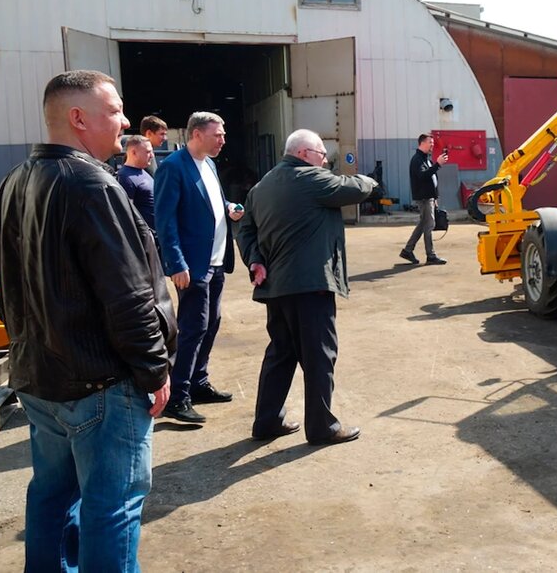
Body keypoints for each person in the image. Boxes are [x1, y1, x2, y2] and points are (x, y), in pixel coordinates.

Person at [0, 69, 176, 571]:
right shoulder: (93, 185)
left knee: (51, 497)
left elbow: (7, 285)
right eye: (114, 110)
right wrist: (155, 371)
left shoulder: (11, 183)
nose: (126, 120)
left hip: (40, 380)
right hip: (100, 385)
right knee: (112, 506)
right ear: (78, 118)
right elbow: (129, 298)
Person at [236, 129, 377, 445]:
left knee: (281, 353)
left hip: (276, 287)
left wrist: (254, 260)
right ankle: (322, 426)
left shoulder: (261, 187)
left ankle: (267, 420)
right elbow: (351, 188)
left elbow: (245, 230)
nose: (325, 161)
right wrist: (371, 181)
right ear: (303, 153)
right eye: (321, 155)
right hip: (310, 284)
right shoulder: (311, 179)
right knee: (319, 355)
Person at [154, 111, 244, 424]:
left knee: (212, 322)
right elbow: (165, 221)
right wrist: (176, 263)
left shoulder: (209, 164)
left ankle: (198, 382)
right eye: (217, 134)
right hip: (192, 266)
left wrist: (229, 207)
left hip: (216, 261)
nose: (223, 140)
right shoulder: (172, 168)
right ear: (196, 134)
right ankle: (177, 397)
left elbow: (209, 201)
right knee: (193, 328)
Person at [398, 134, 449, 265]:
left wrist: (435, 197)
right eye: (430, 142)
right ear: (422, 143)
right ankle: (430, 255)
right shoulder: (417, 160)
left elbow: (433, 179)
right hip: (424, 198)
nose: (432, 145)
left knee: (423, 224)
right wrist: (437, 164)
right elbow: (422, 176)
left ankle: (408, 250)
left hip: (429, 197)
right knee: (429, 225)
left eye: (432, 143)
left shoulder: (426, 159)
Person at [117, 135, 156, 230]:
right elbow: (126, 215)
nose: (152, 155)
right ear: (133, 153)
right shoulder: (125, 177)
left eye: (152, 151)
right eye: (148, 152)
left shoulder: (144, 172)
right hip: (146, 238)